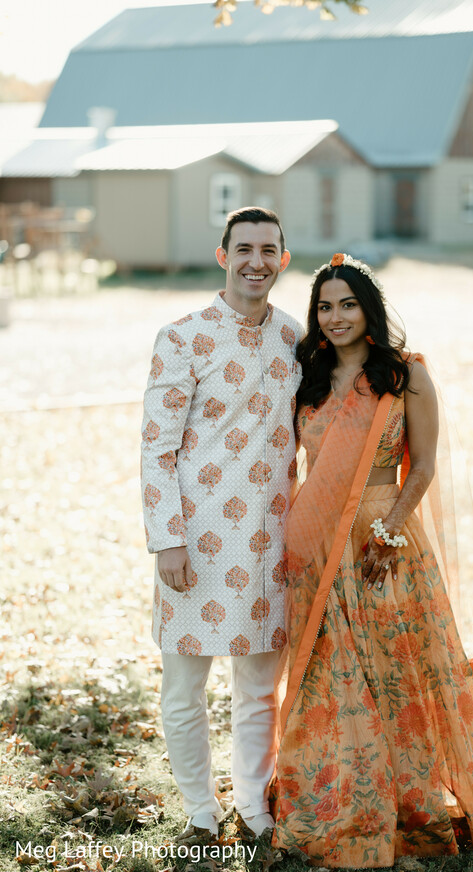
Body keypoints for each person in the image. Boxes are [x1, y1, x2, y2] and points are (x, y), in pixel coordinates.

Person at [271, 253, 473, 865]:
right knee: (328, 677)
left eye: (348, 304)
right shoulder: (307, 378)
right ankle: (338, 798)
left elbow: (424, 466)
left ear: (370, 310)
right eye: (324, 307)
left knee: (397, 676)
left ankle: (405, 801)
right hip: (316, 546)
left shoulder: (405, 374)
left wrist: (388, 536)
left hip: (381, 542)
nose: (335, 317)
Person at [140, 207, 303, 843]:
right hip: (197, 543)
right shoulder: (183, 338)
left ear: (283, 259)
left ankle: (254, 804)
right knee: (186, 687)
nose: (255, 262)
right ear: (223, 256)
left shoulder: (294, 337)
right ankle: (199, 811)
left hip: (272, 543)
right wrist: (168, 541)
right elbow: (157, 449)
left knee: (259, 688)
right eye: (244, 249)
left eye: (268, 250)